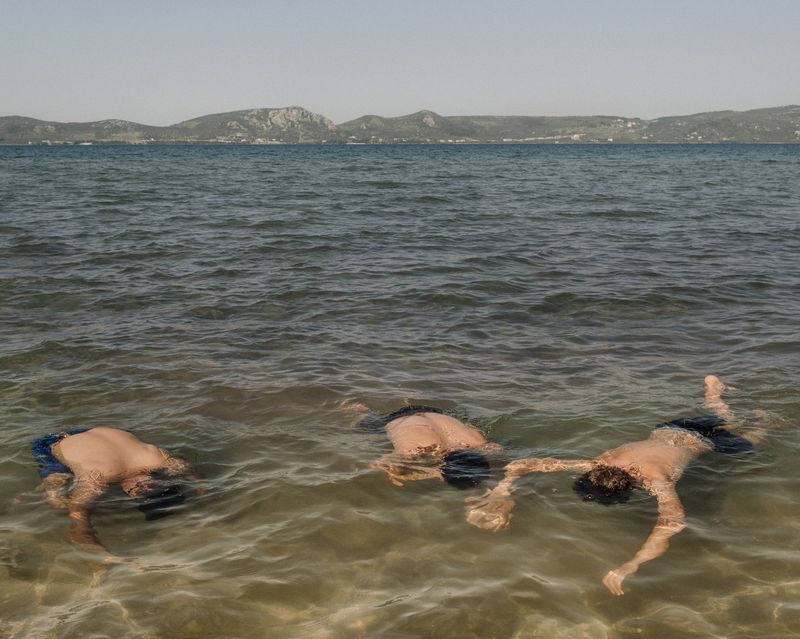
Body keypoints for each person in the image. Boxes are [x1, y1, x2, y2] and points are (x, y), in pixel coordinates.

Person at [466, 375, 766, 595]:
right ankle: (714, 394)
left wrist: (631, 565)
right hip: (677, 428)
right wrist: (503, 491)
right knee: (721, 416)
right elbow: (523, 464)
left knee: (756, 436)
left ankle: (761, 419)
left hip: (695, 437)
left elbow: (674, 524)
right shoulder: (601, 463)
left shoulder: (653, 480)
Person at [32, 426, 201, 585]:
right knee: (56, 500)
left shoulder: (158, 459)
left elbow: (199, 480)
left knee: (68, 497)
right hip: (51, 444)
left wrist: (204, 501)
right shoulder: (99, 478)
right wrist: (98, 560)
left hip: (99, 431)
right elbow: (77, 515)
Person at [355, 405, 501, 489]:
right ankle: (355, 408)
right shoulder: (413, 451)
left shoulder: (482, 444)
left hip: (435, 412)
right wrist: (396, 473)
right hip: (397, 419)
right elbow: (378, 463)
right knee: (361, 423)